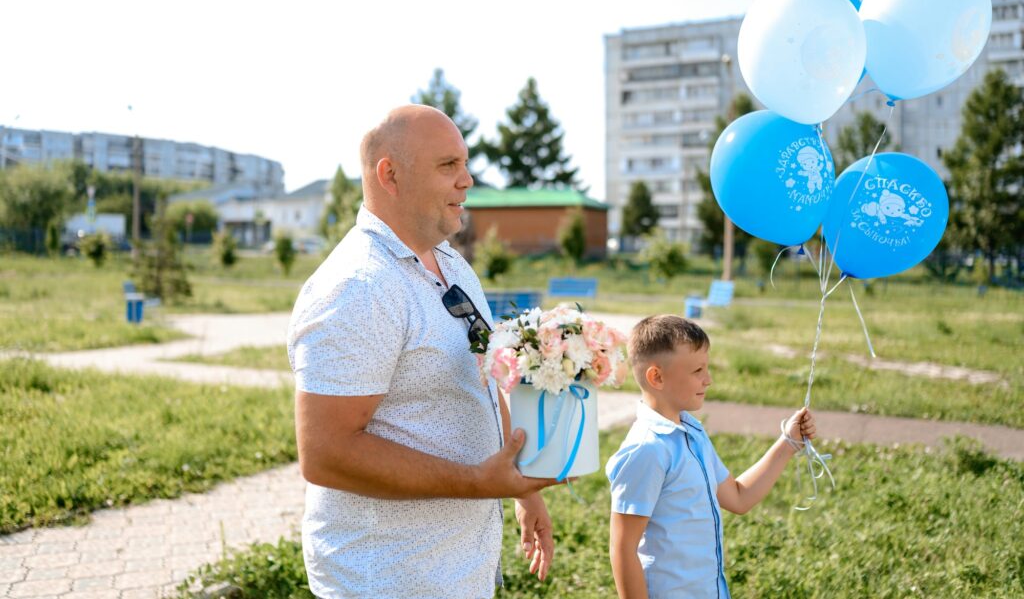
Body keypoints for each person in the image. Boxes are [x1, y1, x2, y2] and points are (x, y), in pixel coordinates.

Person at [288, 105, 558, 598]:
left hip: (457, 568)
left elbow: (484, 369)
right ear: (390, 175)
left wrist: (516, 479)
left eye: (465, 163)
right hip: (387, 578)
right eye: (448, 166)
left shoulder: (452, 263)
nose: (468, 180)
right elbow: (326, 454)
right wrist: (480, 481)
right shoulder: (358, 287)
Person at [606, 315, 817, 599]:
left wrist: (789, 442)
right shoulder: (647, 450)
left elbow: (738, 497)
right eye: (697, 370)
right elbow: (622, 549)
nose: (709, 379)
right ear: (656, 377)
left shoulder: (692, 432)